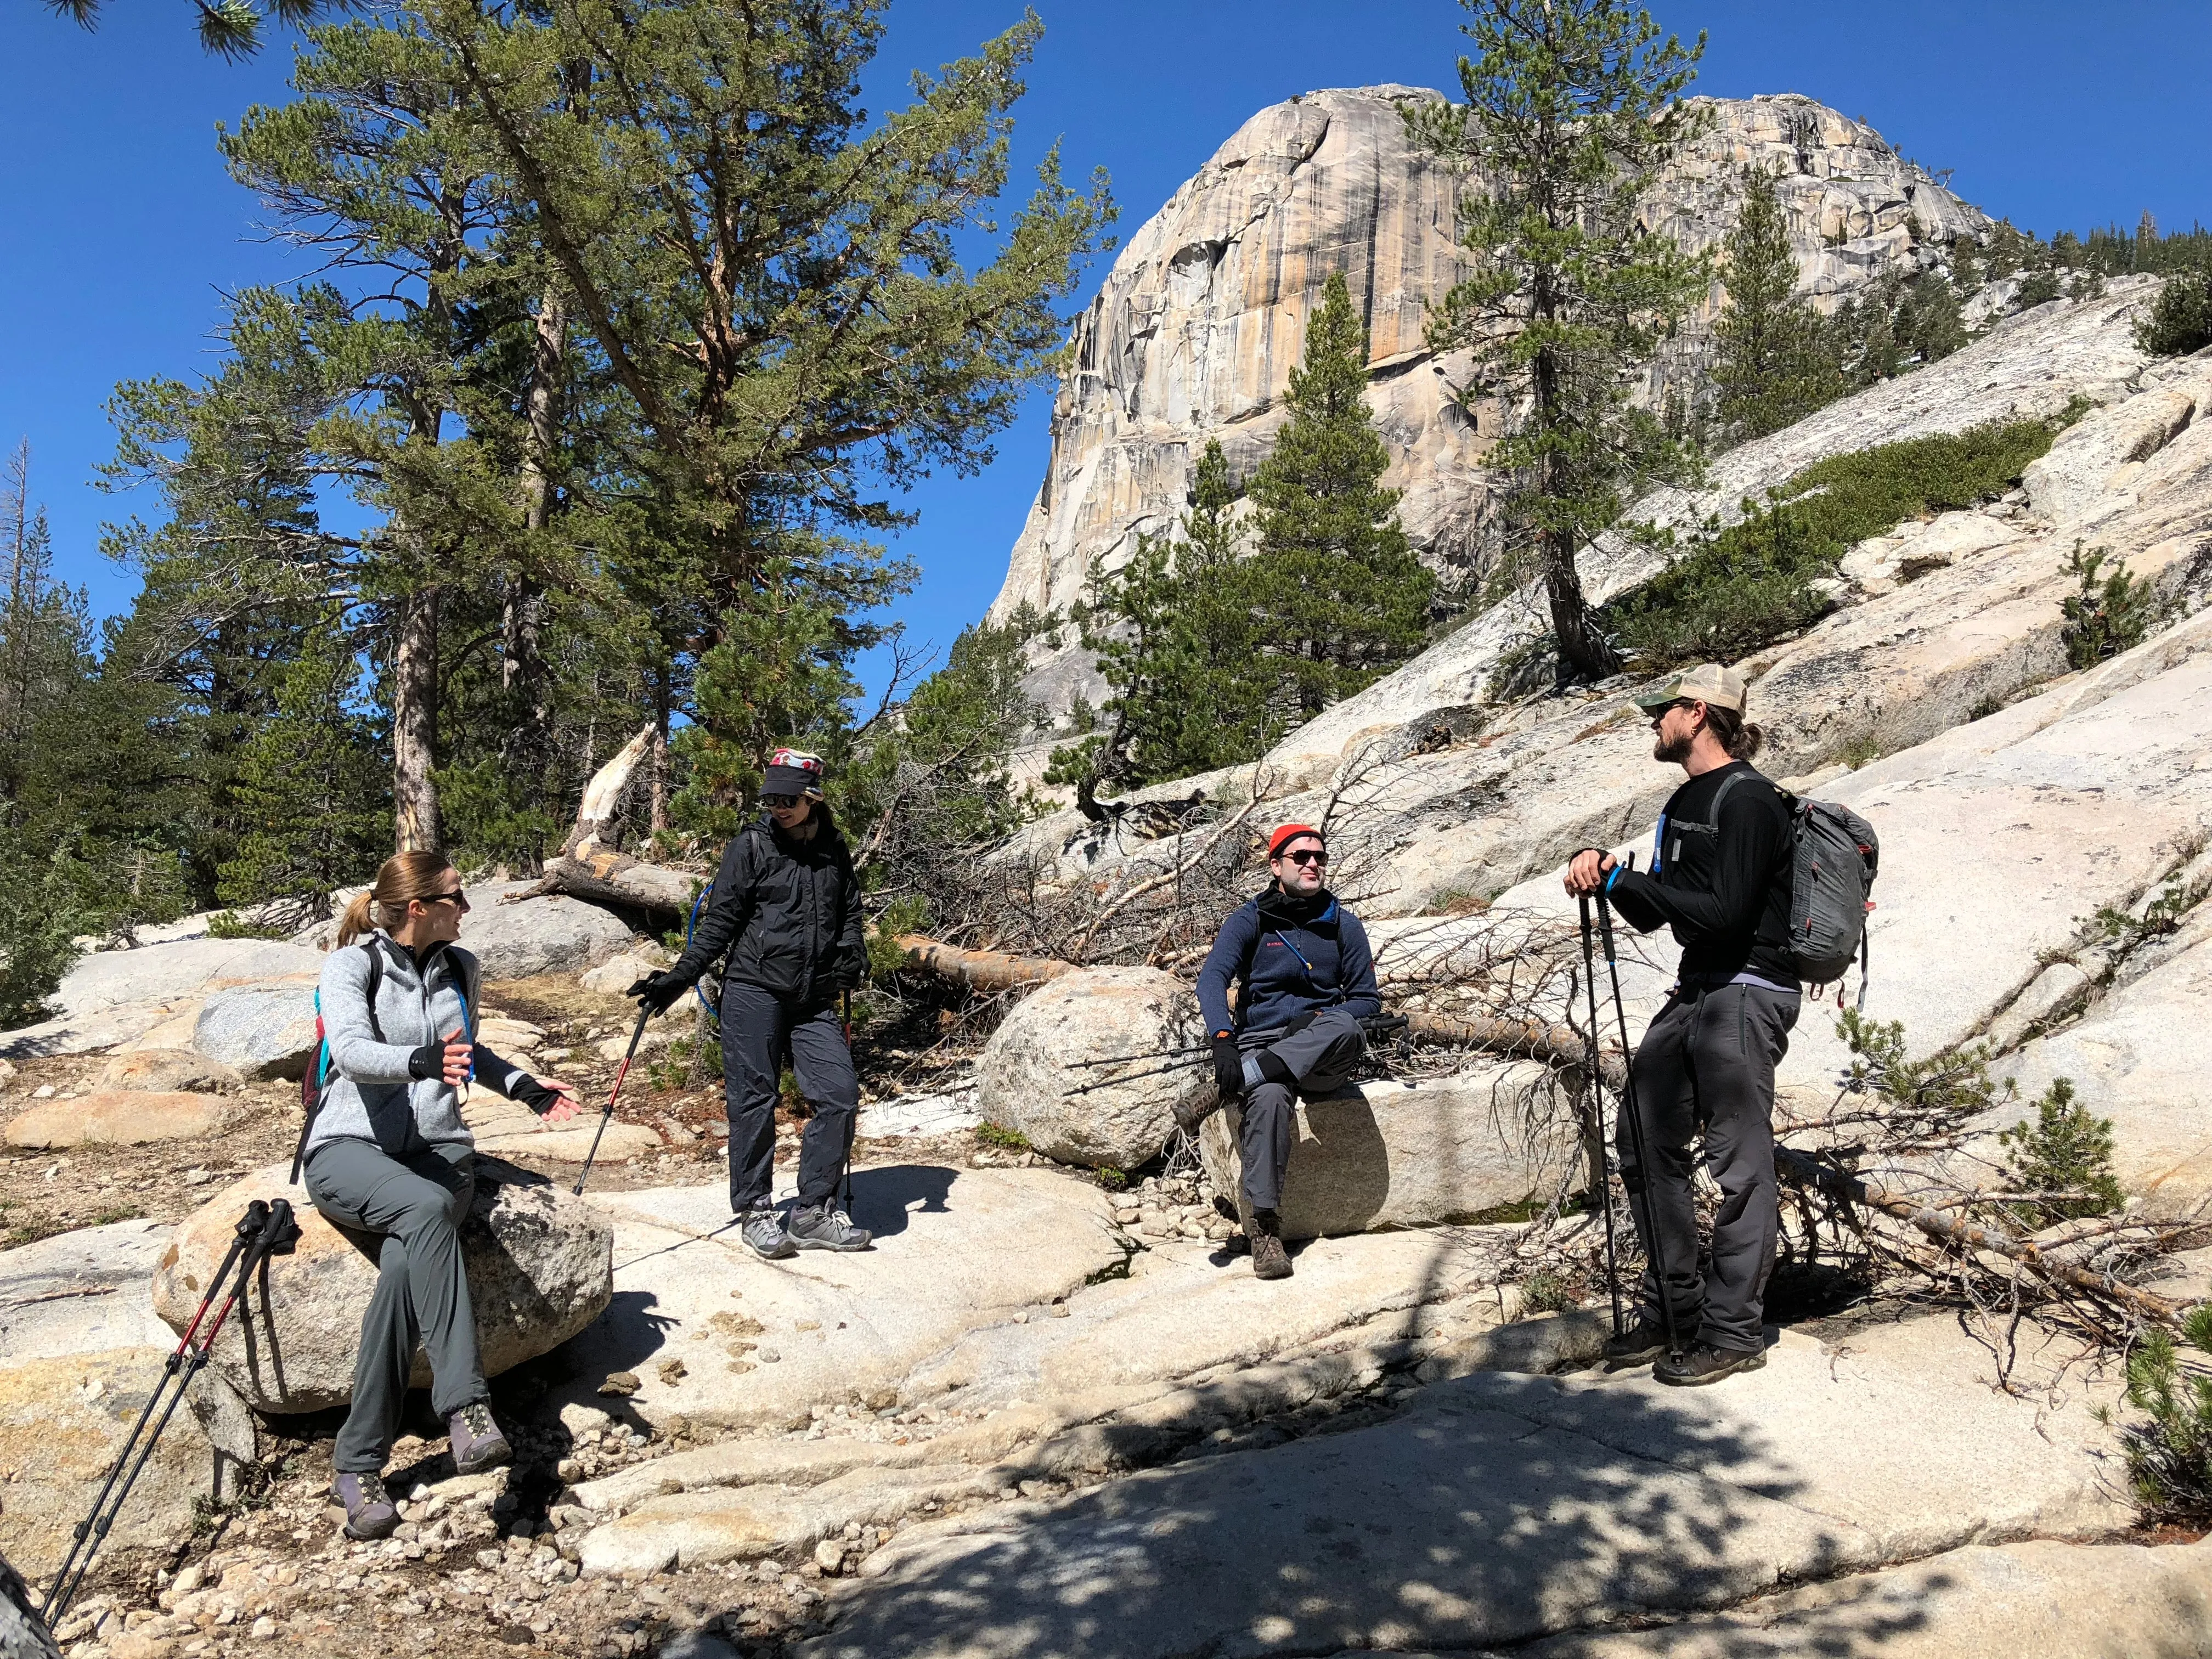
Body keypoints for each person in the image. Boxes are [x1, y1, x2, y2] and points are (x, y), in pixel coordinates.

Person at [305, 850, 580, 1539]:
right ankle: (465, 1405)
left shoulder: (461, 969)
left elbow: (469, 1052)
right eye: (459, 897)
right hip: (349, 1151)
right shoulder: (352, 967)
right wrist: (418, 1062)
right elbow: (350, 1052)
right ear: (420, 907)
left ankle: (358, 1462)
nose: (469, 909)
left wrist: (528, 1089)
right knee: (425, 1212)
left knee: (406, 1265)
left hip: (439, 1151)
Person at [1563, 663, 1801, 1387]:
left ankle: (1732, 1331)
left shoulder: (1752, 800)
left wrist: (1626, 879)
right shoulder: (1685, 802)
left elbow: (1728, 913)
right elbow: (1660, 912)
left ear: (1697, 713)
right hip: (1698, 987)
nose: (1653, 721)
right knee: (1640, 1133)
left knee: (1740, 1162)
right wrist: (1607, 874)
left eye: (1661, 711)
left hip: (1746, 989)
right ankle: (1675, 1308)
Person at [630, 748, 871, 1260]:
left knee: (839, 1096)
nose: (778, 807)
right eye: (770, 798)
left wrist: (854, 954)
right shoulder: (750, 847)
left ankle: (811, 1213)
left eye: (788, 798)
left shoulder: (833, 848)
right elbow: (720, 922)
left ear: (813, 798)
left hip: (814, 995)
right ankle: (757, 1210)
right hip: (754, 990)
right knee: (754, 1100)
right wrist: (679, 978)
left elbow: (849, 909)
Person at [1189, 823, 1381, 1280]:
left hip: (1322, 1052)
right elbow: (1212, 979)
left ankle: (1235, 1084)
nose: (1314, 863)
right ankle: (1265, 1231)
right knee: (1271, 1099)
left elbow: (1368, 1000)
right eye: (1302, 857)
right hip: (1260, 1044)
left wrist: (1313, 1021)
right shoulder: (1250, 920)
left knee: (1347, 1025)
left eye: (1320, 856)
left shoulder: (1342, 924)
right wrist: (1222, 1040)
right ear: (1276, 866)